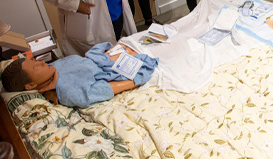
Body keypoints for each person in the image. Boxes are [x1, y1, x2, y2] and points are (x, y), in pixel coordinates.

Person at [1, 42, 158, 108]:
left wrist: (112, 53)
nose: (41, 63)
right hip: (114, 69)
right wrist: (137, 80)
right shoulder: (70, 92)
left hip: (106, 58)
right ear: (30, 86)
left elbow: (81, 62)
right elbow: (108, 89)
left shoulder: (52, 67)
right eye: (36, 68)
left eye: (35, 61)